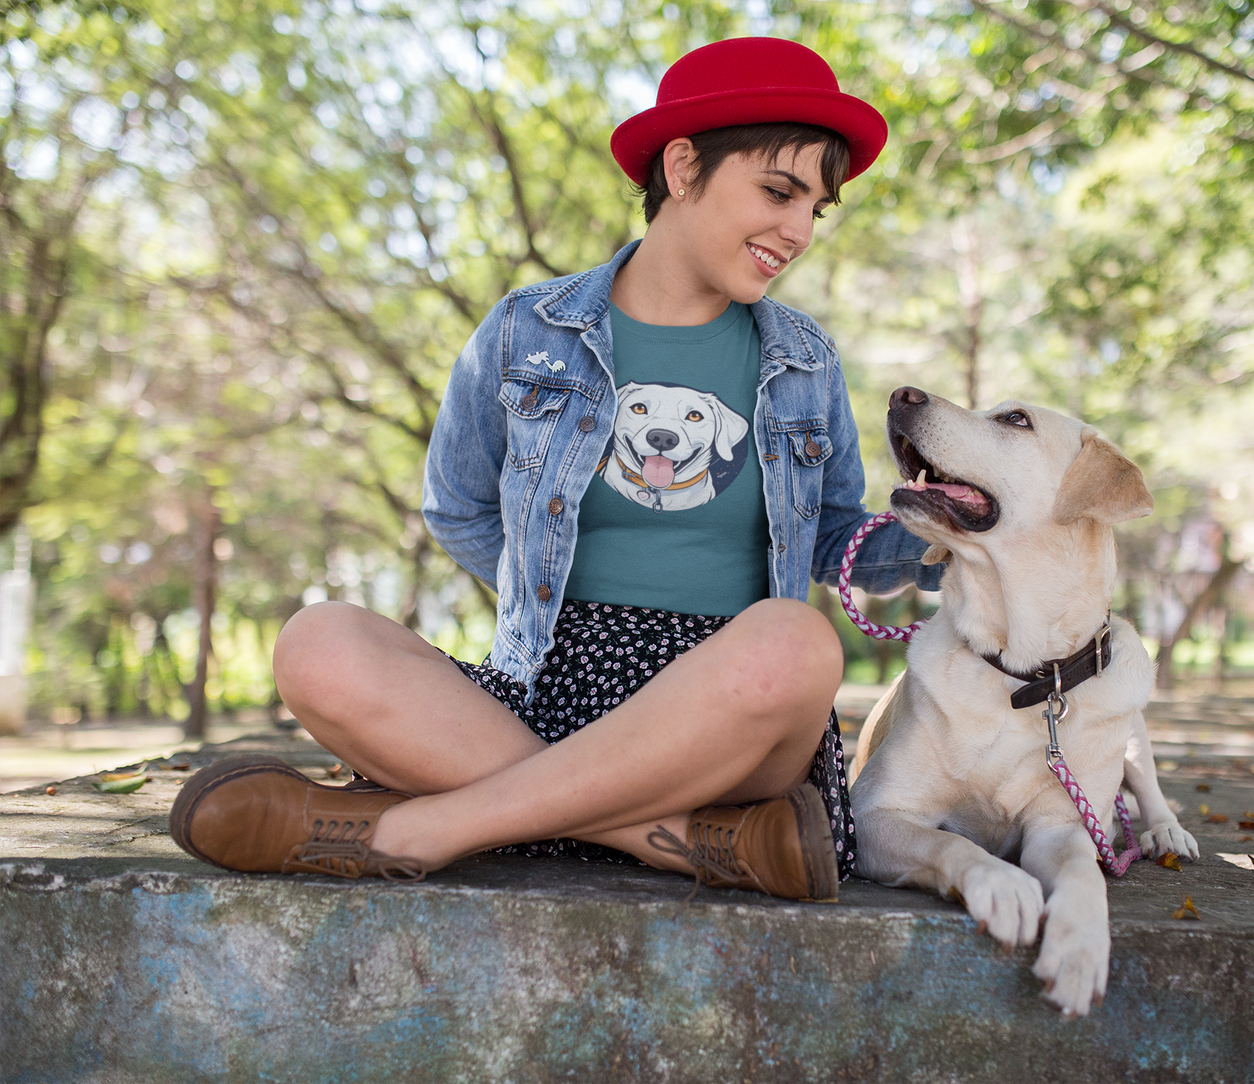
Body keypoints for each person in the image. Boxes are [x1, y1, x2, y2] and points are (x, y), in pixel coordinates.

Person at [168, 36, 941, 900]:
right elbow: (457, 504)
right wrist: (542, 594)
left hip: (729, 703)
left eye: (814, 209)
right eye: (778, 191)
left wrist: (943, 538)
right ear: (682, 167)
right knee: (319, 642)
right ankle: (686, 841)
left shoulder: (802, 358)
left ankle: (419, 828)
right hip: (543, 679)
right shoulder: (524, 329)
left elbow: (836, 533)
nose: (797, 231)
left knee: (796, 641)